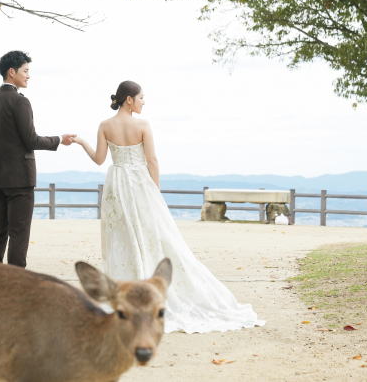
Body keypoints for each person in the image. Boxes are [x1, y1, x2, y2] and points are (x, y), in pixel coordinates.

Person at [70, 80, 264, 333]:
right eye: (141, 97)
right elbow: (152, 160)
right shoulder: (142, 125)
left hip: (117, 184)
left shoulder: (105, 125)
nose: (143, 101)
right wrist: (156, 191)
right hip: (140, 183)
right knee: (153, 235)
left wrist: (81, 142)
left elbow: (98, 159)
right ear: (129, 99)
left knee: (122, 238)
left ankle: (127, 294)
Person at [0, 50, 75, 268]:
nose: (28, 76)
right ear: (11, 72)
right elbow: (31, 140)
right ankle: (16, 282)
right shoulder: (19, 102)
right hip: (20, 179)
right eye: (25, 71)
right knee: (19, 233)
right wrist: (59, 139)